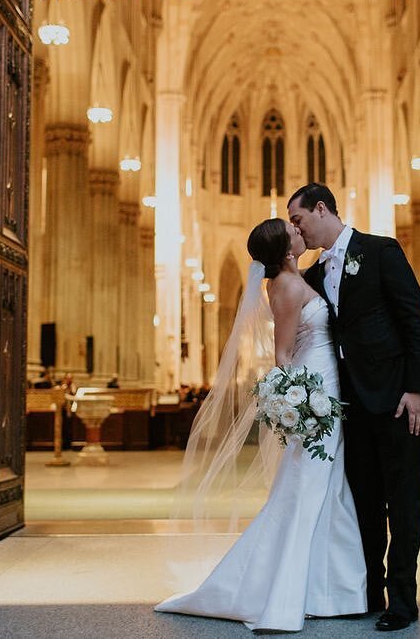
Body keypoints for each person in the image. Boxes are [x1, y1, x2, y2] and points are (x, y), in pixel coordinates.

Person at [155, 218, 367, 631]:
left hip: (325, 386)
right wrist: (300, 402)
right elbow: (283, 355)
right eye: (293, 232)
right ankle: (293, 592)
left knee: (325, 489)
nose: (299, 232)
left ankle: (325, 592)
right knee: (308, 489)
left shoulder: (297, 278)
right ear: (287, 250)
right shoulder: (286, 287)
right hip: (314, 392)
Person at [287, 183, 420, 632]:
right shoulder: (315, 276)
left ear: (321, 208)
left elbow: (414, 319)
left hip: (399, 398)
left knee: (403, 501)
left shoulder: (381, 250)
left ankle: (403, 599)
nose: (297, 231)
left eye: (299, 220)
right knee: (362, 503)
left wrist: (417, 389)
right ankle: (369, 589)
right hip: (350, 406)